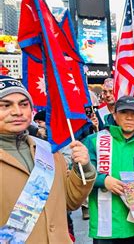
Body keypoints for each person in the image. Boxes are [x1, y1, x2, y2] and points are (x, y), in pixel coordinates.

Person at [0, 75, 96, 243]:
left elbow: (70, 201)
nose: (18, 111)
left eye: (24, 104)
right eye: (5, 105)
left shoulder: (47, 150)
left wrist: (84, 168)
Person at [83, 96, 134, 243]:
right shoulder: (94, 140)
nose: (129, 118)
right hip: (106, 225)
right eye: (124, 112)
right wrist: (103, 180)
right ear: (115, 114)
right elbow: (79, 172)